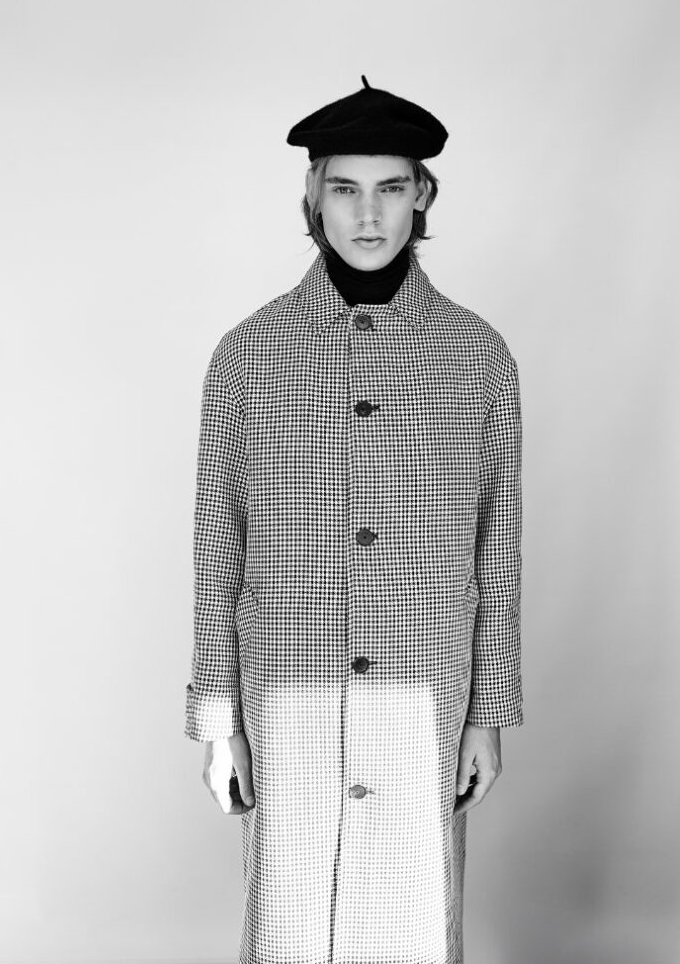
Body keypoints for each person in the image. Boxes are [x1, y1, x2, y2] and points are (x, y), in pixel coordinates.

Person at [184, 74, 523, 964]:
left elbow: (498, 552)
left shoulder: (477, 358)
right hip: (287, 692)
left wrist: (485, 713)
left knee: (411, 924)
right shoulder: (248, 356)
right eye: (344, 188)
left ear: (422, 195)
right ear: (312, 195)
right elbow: (218, 545)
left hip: (423, 695)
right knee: (290, 923)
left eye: (390, 187)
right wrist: (217, 718)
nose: (367, 214)